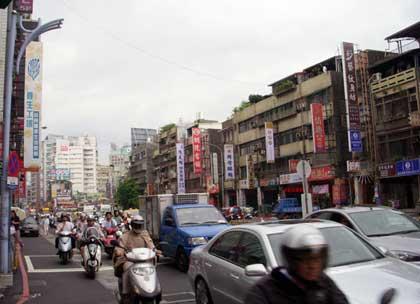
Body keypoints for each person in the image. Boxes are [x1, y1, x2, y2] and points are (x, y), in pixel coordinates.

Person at [245, 225, 349, 304]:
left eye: (317, 259)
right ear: (291, 260)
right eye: (305, 260)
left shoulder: (324, 282)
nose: (313, 266)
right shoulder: (264, 291)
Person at [113, 215, 156, 303]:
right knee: (127, 268)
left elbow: (151, 244)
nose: (138, 227)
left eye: (140, 225)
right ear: (132, 225)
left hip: (144, 261)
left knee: (152, 269)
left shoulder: (145, 234)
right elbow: (120, 246)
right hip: (130, 261)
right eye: (136, 225)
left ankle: (155, 290)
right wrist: (119, 251)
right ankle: (125, 294)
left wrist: (155, 250)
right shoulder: (126, 235)